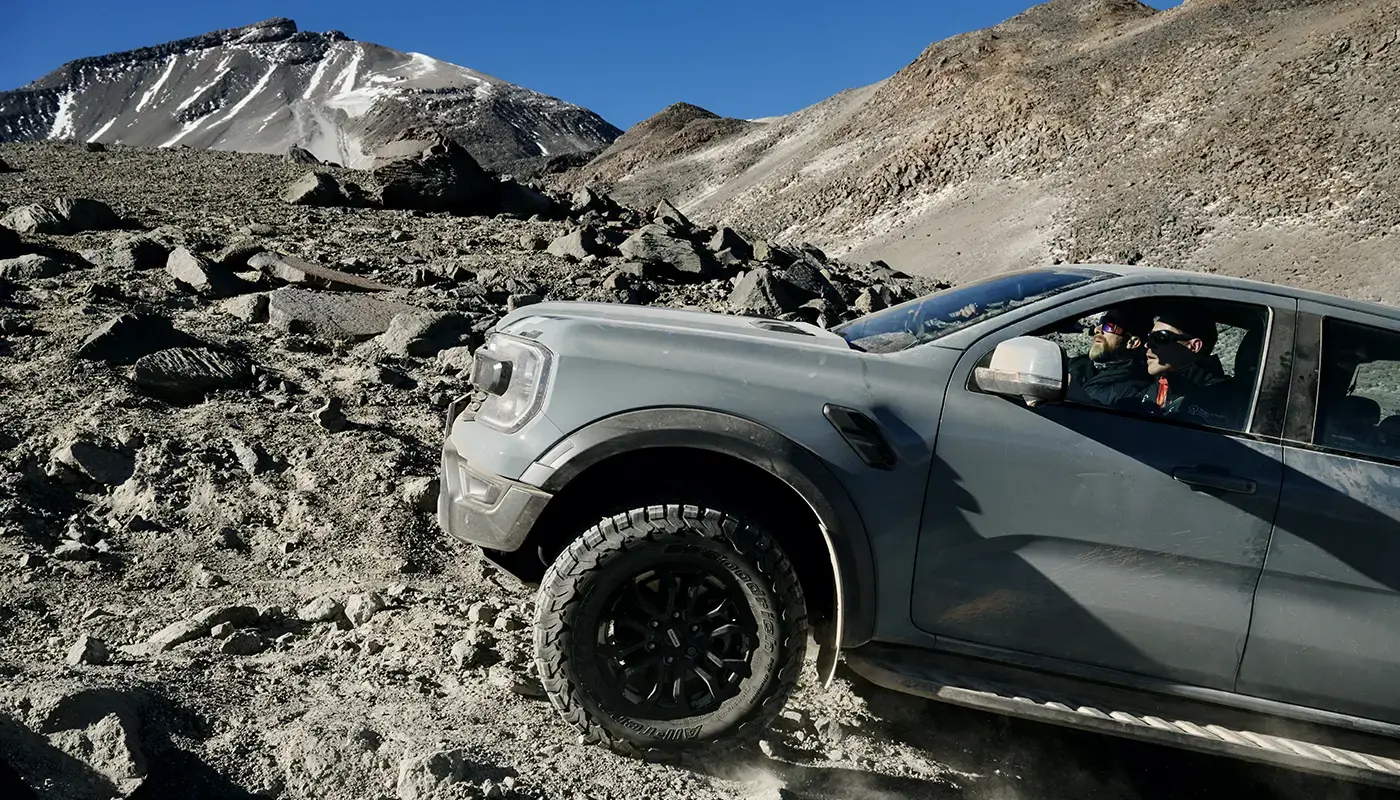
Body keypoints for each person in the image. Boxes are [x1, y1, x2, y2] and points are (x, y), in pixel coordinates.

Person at [1125, 306, 1236, 428]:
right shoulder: (1160, 386)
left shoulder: (1219, 401)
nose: (1147, 344)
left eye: (1159, 338)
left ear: (1194, 346)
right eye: (1149, 337)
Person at [1065, 308, 1152, 408]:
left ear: (1132, 342)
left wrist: (1077, 397)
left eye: (1109, 326)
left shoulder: (1133, 391)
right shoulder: (1077, 363)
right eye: (1101, 322)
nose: (1098, 329)